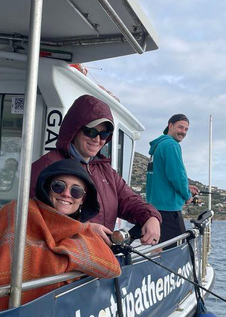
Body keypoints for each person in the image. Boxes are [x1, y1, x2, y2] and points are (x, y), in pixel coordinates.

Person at [0, 159, 121, 317]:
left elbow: (111, 267)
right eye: (58, 186)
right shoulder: (17, 213)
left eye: (76, 191)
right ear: (47, 188)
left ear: (82, 200)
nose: (66, 194)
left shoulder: (83, 231)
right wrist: (68, 263)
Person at [31, 95, 162, 246]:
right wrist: (83, 229)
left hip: (98, 256)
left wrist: (151, 217)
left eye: (104, 134)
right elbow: (34, 218)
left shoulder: (105, 169)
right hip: (63, 261)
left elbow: (129, 200)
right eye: (91, 132)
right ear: (74, 130)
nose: (97, 139)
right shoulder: (47, 165)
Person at [147, 113, 200, 243]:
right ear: (170, 126)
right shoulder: (171, 145)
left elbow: (163, 177)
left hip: (155, 207)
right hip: (168, 210)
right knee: (175, 251)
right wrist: (187, 196)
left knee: (160, 249)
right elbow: (177, 176)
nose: (183, 132)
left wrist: (186, 188)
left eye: (186, 129)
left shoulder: (158, 145)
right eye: (180, 127)